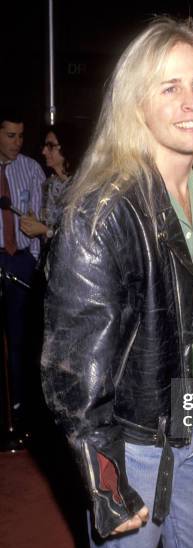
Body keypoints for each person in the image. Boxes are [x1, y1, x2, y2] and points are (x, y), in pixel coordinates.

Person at [41, 17, 193, 548]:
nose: (191, 101)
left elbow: (188, 311)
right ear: (135, 100)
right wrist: (108, 482)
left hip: (191, 414)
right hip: (135, 439)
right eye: (169, 87)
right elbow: (75, 377)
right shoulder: (102, 210)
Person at [0, 110, 45, 430]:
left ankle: (20, 408)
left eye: (21, 136)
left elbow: (42, 216)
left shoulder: (31, 170)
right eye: (10, 135)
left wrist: (32, 260)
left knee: (20, 340)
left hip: (20, 263)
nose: (17, 142)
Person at [20, 123, 84, 242]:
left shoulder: (81, 187)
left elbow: (80, 237)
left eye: (50, 146)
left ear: (66, 147)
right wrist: (36, 224)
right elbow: (49, 227)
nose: (44, 151)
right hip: (51, 257)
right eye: (44, 146)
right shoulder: (49, 185)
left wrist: (45, 230)